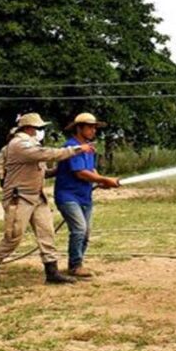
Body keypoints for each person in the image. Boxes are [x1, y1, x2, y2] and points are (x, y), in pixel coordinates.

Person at [0, 113, 92, 287]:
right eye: (40, 128)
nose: (41, 131)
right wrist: (76, 150)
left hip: (37, 196)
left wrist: (61, 170)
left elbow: (42, 171)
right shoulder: (19, 144)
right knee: (13, 237)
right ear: (30, 129)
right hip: (19, 198)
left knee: (47, 233)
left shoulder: (31, 144)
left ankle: (51, 272)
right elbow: (45, 154)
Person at [54, 113, 120, 279]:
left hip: (84, 196)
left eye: (94, 127)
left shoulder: (89, 149)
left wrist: (100, 181)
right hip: (68, 196)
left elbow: (90, 170)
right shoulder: (71, 147)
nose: (93, 130)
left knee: (86, 232)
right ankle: (75, 265)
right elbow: (80, 173)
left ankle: (77, 264)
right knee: (79, 229)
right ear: (79, 128)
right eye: (90, 127)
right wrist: (105, 179)